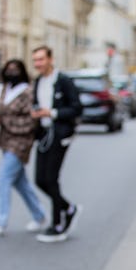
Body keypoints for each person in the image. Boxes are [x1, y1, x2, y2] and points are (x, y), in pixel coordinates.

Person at [0, 59, 46, 237]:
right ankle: (39, 215)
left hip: (20, 143)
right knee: (21, 183)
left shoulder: (27, 91)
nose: (11, 72)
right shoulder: (2, 90)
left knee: (4, 179)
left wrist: (4, 120)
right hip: (5, 141)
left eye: (15, 69)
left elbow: (31, 121)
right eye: (8, 69)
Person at [31, 45, 82, 243]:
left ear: (51, 59)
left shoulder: (63, 81)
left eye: (41, 59)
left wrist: (51, 113)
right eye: (35, 60)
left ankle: (57, 225)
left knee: (51, 178)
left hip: (60, 135)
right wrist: (36, 113)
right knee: (40, 179)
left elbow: (76, 108)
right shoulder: (38, 82)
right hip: (43, 135)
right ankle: (68, 208)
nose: (38, 64)